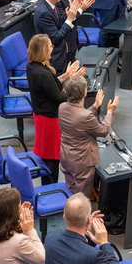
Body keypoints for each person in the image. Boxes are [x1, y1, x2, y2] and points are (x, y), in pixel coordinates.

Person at [27, 34, 86, 182]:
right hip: (49, 121)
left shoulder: (33, 66)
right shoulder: (42, 73)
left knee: (47, 156)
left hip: (42, 117)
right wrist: (73, 83)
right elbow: (59, 98)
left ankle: (49, 187)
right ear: (43, 50)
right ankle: (50, 189)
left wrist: (66, 75)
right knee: (52, 158)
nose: (52, 48)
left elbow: (50, 87)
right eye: (50, 46)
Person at [58, 76, 119, 198]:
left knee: (71, 188)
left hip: (66, 156)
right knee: (81, 197)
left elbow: (79, 118)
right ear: (84, 92)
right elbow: (103, 131)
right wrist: (110, 112)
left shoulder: (62, 107)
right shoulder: (85, 116)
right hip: (82, 162)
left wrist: (95, 105)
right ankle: (78, 214)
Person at [44, 193, 123, 264]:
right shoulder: (94, 256)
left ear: (64, 216)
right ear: (89, 220)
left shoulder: (50, 238)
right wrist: (104, 243)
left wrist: (88, 232)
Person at [33, 0, 90, 74]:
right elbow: (55, 38)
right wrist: (69, 19)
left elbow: (59, 24)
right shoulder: (44, 13)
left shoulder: (52, 6)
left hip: (62, 53)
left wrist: (70, 14)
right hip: (54, 58)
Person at [54, 0, 94, 66]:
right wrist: (81, 8)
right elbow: (64, 19)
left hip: (72, 38)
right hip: (65, 42)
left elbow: (72, 12)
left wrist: (79, 6)